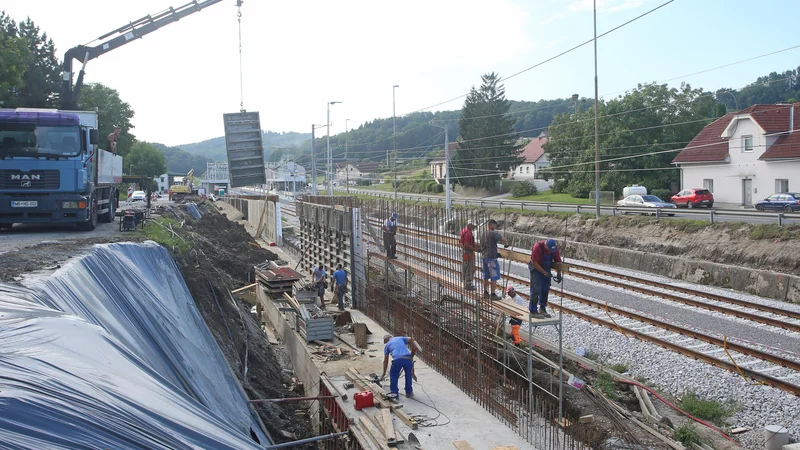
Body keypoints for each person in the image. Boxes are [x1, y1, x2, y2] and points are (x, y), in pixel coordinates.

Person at [528, 238, 563, 318]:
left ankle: (542, 308)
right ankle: (533, 310)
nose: (550, 252)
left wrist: (559, 274)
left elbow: (558, 262)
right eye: (549, 250)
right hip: (536, 268)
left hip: (546, 268)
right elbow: (534, 262)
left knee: (545, 289)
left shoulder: (554, 249)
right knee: (536, 289)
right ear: (545, 245)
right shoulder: (537, 247)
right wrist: (543, 272)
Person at [479, 219, 508, 300]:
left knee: (485, 276)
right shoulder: (493, 233)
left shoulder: (482, 233)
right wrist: (506, 244)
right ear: (492, 225)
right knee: (494, 276)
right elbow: (503, 240)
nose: (495, 227)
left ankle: (485, 292)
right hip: (491, 258)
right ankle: (493, 294)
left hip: (484, 257)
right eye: (495, 226)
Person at [381, 334, 416, 399]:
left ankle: (394, 394)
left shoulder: (387, 346)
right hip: (408, 358)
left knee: (393, 375)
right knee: (408, 375)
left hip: (397, 359)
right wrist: (413, 351)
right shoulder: (399, 338)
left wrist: (384, 373)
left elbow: (385, 361)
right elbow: (412, 338)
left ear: (386, 340)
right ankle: (409, 392)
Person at [459, 220, 477, 290]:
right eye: (472, 226)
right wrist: (473, 249)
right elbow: (466, 244)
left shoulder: (463, 231)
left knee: (464, 267)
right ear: (469, 225)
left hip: (464, 252)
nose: (473, 228)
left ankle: (464, 283)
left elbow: (461, 243)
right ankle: (468, 284)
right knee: (470, 268)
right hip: (468, 253)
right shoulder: (468, 233)